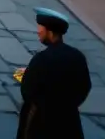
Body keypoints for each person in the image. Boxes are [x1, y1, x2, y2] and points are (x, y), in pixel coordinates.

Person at [16, 8, 91, 139]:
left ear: (50, 32)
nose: (38, 32)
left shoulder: (41, 58)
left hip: (40, 122)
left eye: (40, 28)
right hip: (69, 121)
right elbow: (85, 87)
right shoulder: (78, 56)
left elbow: (27, 91)